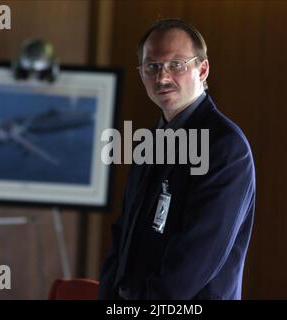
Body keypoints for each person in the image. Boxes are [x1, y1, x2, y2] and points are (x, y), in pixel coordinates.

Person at [99, 18, 256, 300]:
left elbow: (196, 256)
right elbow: (124, 236)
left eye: (177, 65)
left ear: (203, 69)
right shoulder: (149, 143)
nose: (162, 77)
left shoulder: (225, 147)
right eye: (152, 66)